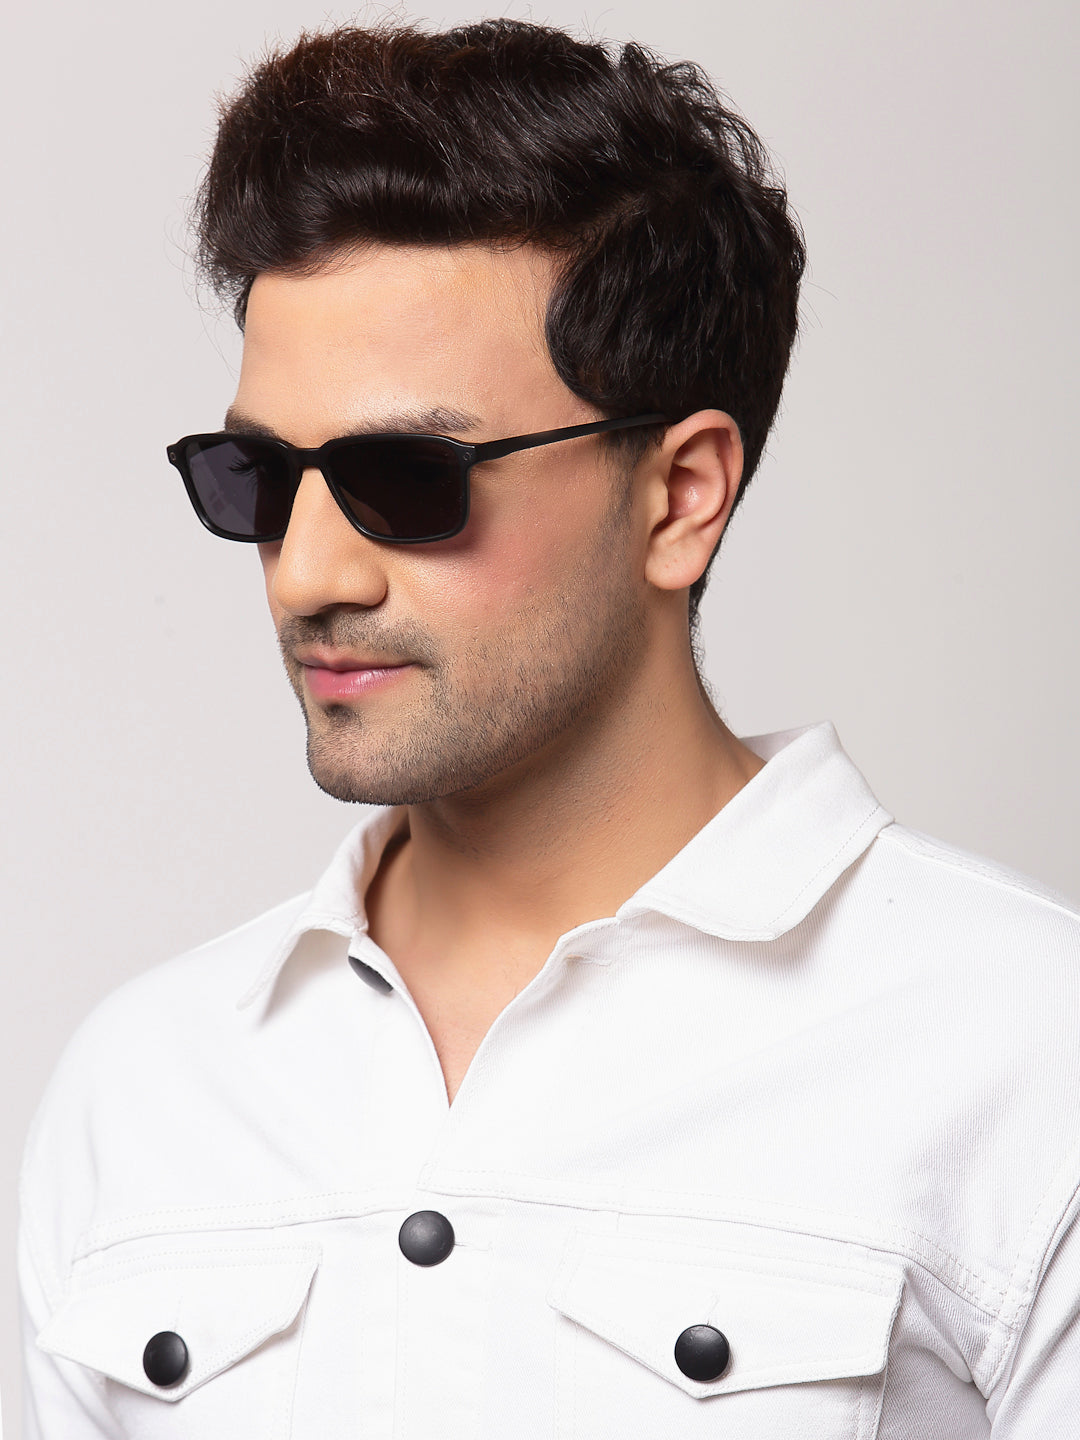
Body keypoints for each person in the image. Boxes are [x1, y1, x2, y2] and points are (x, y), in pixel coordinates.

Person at [18, 18, 1080, 1438]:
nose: (307, 574)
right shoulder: (143, 1089)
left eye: (409, 478)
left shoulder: (1022, 1047)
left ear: (682, 495)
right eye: (258, 477)